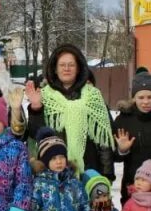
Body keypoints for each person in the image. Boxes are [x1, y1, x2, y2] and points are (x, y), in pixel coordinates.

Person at [26, 45, 113, 178]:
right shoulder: (44, 96)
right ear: (55, 69)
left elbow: (103, 140)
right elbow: (36, 134)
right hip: (54, 172)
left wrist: (107, 174)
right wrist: (36, 108)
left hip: (89, 171)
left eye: (71, 65)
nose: (66, 68)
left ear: (78, 69)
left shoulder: (93, 96)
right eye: (62, 65)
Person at [111, 70, 151, 202]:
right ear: (134, 98)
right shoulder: (124, 120)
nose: (145, 102)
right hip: (133, 184)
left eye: (150, 97)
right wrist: (122, 150)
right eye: (141, 97)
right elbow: (113, 157)